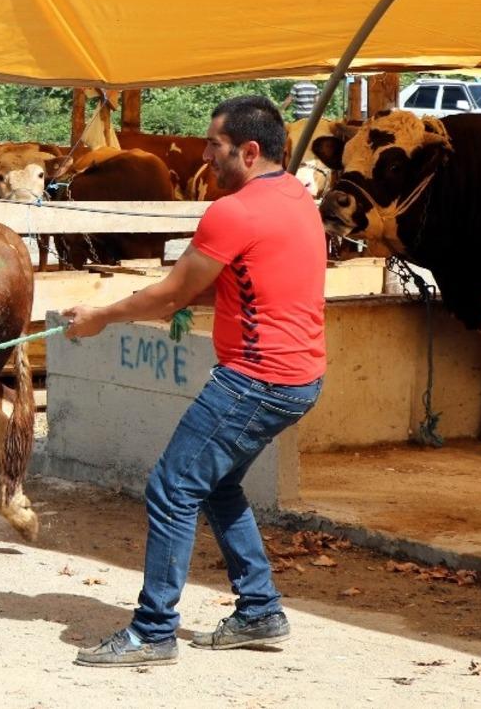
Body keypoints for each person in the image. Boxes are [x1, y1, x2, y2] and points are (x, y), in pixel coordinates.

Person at [64, 95, 327, 668]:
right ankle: (259, 610)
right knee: (216, 486)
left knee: (172, 487)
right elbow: (224, 281)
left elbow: (174, 292)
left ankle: (153, 630)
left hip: (255, 380)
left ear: (248, 151)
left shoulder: (234, 211)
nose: (204, 156)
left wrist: (100, 316)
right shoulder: (296, 198)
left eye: (214, 145)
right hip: (299, 376)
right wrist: (147, 302)